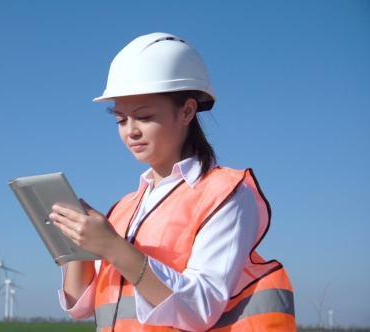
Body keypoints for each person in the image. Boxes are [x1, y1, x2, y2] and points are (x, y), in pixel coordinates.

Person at [49, 33, 296, 331]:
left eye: (144, 116)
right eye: (121, 120)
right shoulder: (123, 209)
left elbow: (199, 308)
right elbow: (82, 306)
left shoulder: (226, 193)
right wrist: (77, 244)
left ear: (187, 111)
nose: (131, 131)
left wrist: (113, 247)